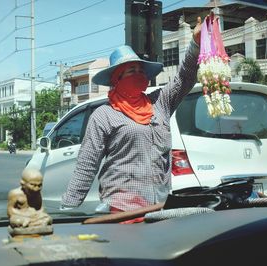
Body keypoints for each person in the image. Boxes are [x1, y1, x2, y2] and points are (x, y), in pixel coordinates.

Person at [61, 17, 203, 212]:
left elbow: (184, 78)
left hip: (159, 206)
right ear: (116, 80)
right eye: (131, 71)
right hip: (121, 208)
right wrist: (68, 209)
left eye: (140, 71)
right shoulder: (104, 115)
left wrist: (196, 44)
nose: (138, 74)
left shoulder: (159, 103)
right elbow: (87, 164)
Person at [7, 168, 52, 232]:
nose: (36, 188)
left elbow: (41, 208)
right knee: (16, 220)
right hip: (21, 217)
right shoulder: (15, 194)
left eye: (39, 185)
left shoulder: (38, 193)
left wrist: (38, 214)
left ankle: (32, 224)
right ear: (23, 184)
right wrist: (24, 215)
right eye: (33, 185)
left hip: (35, 216)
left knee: (48, 218)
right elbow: (10, 211)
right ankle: (34, 223)